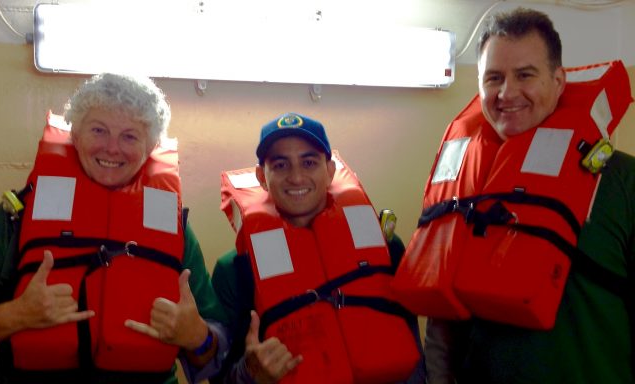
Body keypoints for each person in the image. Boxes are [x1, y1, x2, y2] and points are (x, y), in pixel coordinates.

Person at [421, 7, 634, 384]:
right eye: (493, 78)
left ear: (558, 80)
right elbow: (442, 331)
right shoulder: (463, 185)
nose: (506, 93)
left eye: (525, 75)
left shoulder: (623, 181)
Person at [0, 73, 228, 384]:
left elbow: (215, 355)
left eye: (130, 136)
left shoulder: (175, 229)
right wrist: (15, 316)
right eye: (98, 130)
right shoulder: (17, 216)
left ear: (150, 148)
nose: (112, 148)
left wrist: (198, 336)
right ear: (75, 135)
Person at [211, 112, 425, 383]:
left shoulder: (386, 246)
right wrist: (248, 373)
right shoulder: (235, 270)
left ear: (330, 170)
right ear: (261, 177)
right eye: (280, 165)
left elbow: (413, 349)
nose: (297, 177)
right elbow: (221, 377)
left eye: (309, 162)